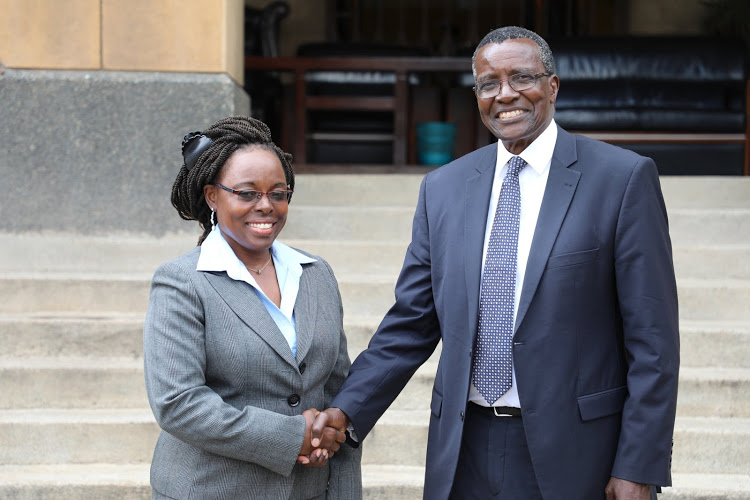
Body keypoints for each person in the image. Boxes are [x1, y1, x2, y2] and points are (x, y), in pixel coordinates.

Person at [311, 26, 679, 500]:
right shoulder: (443, 188)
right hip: (463, 448)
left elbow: (653, 341)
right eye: (489, 84)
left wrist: (639, 463)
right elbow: (411, 324)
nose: (505, 94)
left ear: (553, 85)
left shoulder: (622, 179)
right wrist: (346, 411)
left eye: (521, 77)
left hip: (577, 451)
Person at [143, 116, 362, 500]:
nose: (267, 206)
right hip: (213, 489)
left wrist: (333, 438)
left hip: (308, 490)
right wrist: (293, 435)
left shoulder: (315, 273)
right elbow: (177, 403)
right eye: (247, 193)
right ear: (213, 196)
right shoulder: (182, 281)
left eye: (278, 193)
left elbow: (335, 387)